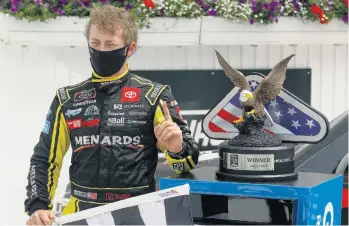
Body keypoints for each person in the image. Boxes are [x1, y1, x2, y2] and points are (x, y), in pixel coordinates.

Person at [25, 4, 200, 225]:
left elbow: (187, 163)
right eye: (95, 43)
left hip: (138, 213)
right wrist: (38, 205)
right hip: (81, 214)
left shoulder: (155, 96)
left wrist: (177, 148)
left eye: (110, 44)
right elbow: (44, 159)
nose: (102, 50)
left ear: (130, 48)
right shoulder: (66, 98)